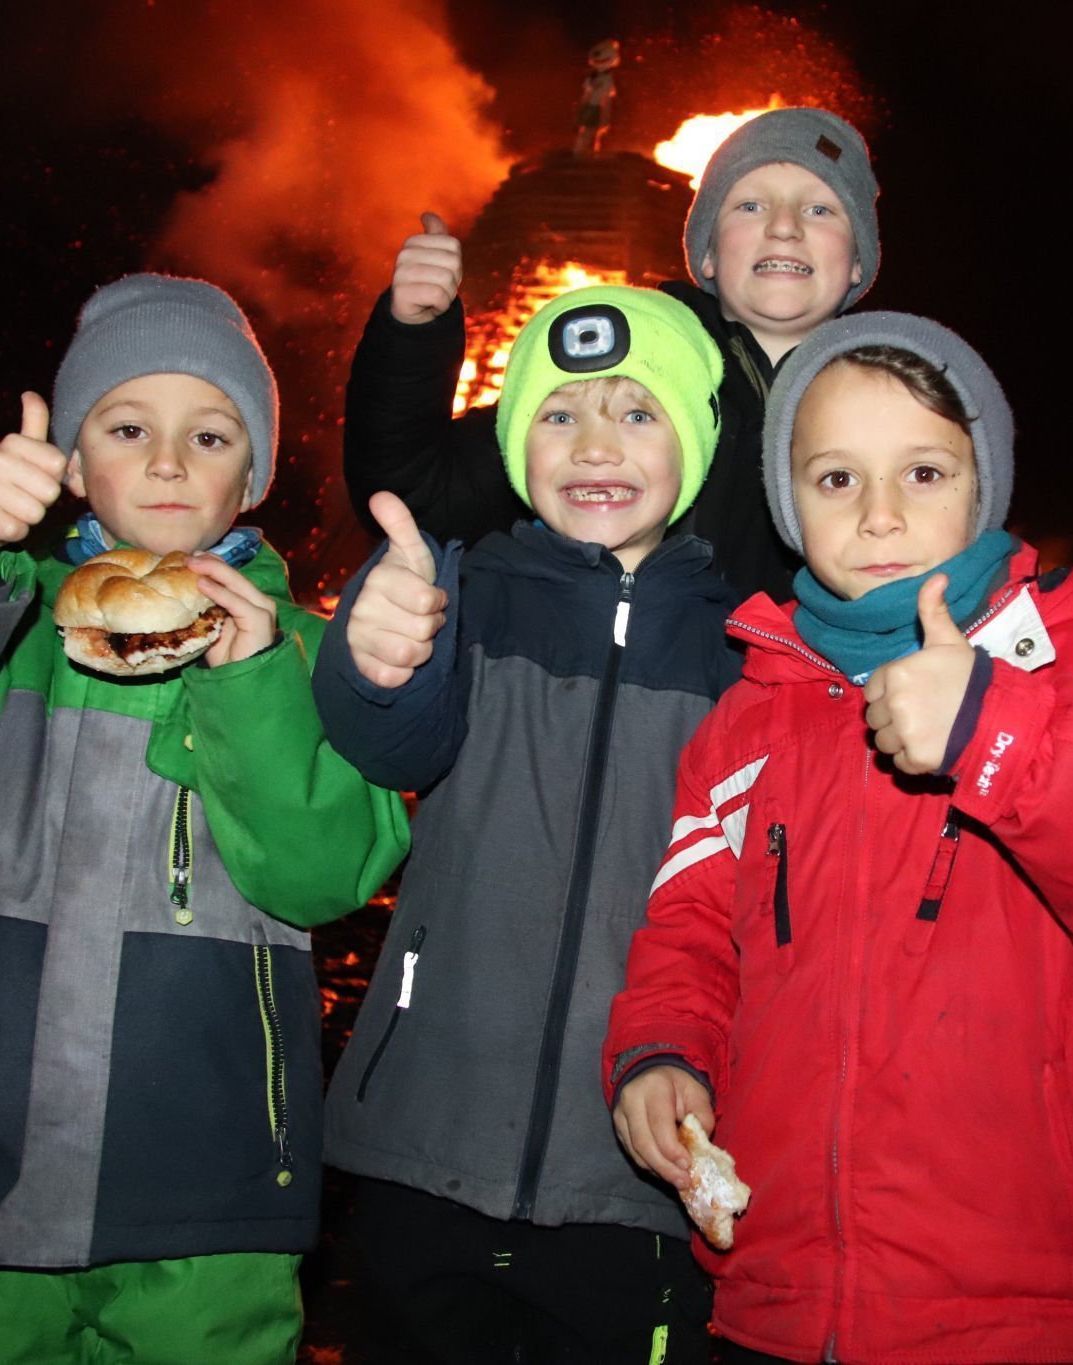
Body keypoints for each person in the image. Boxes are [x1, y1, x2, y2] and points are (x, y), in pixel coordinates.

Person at [603, 314, 1073, 1363]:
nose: (878, 515)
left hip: (1017, 1303)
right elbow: (689, 931)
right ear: (787, 503)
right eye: (835, 479)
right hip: (775, 1294)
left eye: (922, 472)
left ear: (982, 483)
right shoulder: (747, 718)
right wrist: (662, 1056)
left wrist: (1000, 731)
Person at [0, 274, 410, 1363]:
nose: (169, 462)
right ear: (73, 464)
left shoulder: (307, 651)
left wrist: (251, 684)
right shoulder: (11, 621)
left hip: (208, 1183)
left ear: (252, 477)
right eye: (129, 428)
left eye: (210, 435)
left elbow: (322, 874)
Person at [313, 286, 742, 1363]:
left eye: (636, 413)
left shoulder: (740, 650)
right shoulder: (470, 596)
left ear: (695, 445)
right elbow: (390, 743)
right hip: (429, 1136)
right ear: (514, 446)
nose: (594, 444)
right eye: (558, 415)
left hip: (639, 1173)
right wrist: (376, 652)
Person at [343, 106, 882, 599]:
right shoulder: (625, 362)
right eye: (750, 205)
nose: (784, 227)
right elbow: (422, 493)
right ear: (707, 254)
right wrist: (413, 335)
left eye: (819, 209)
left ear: (858, 262)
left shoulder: (894, 402)